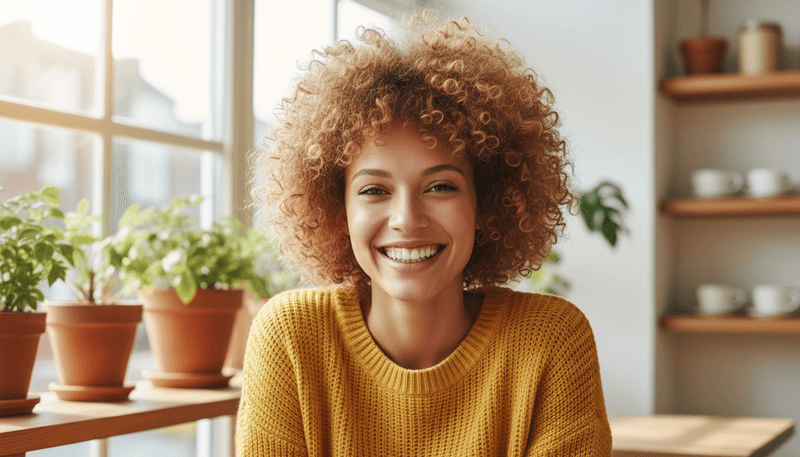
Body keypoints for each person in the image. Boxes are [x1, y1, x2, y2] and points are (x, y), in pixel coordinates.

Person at [239, 10, 612, 456]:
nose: (407, 218)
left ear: (486, 202)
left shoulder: (551, 340)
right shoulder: (290, 338)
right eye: (375, 190)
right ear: (338, 210)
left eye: (440, 186)